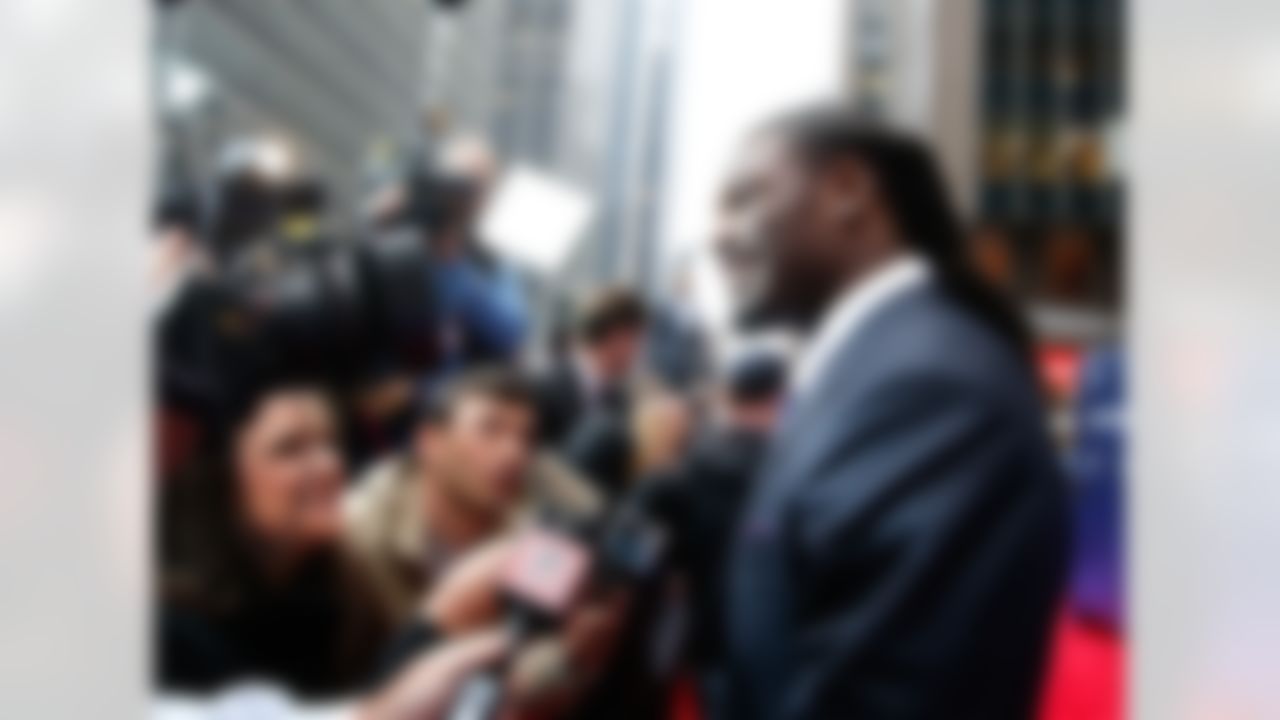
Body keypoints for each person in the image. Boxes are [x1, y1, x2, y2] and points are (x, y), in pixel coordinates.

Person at [714, 104, 1067, 719]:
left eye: (744, 198)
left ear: (847, 190)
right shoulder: (878, 370)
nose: (718, 235)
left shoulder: (927, 389)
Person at [157, 378, 390, 699]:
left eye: (332, 443)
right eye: (290, 449)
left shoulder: (352, 594)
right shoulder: (171, 635)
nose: (331, 466)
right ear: (223, 481)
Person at [344, 367, 600, 625]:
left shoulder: (537, 497)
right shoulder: (364, 532)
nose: (514, 452)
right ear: (430, 443)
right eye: (491, 430)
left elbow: (600, 515)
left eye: (526, 437)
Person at [535, 286, 650, 448]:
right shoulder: (545, 385)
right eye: (637, 340)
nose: (640, 352)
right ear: (616, 336)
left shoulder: (621, 402)